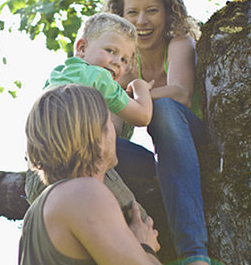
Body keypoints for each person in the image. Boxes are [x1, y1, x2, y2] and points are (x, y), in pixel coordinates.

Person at [105, 0, 225, 265]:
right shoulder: (127, 63)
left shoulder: (179, 40)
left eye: (151, 11)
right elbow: (114, 128)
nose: (142, 21)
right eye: (132, 13)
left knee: (165, 109)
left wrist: (136, 97)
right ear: (121, 18)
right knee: (96, 147)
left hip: (198, 149)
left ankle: (194, 257)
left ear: (167, 14)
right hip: (168, 163)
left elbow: (182, 94)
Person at [18, 84, 175, 265]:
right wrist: (143, 246)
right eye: (109, 122)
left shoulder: (33, 218)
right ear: (96, 134)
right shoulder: (84, 193)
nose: (114, 130)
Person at [24, 13, 155, 220]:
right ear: (82, 48)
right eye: (110, 51)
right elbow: (143, 116)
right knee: (135, 219)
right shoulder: (98, 77)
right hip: (81, 163)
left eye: (124, 60)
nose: (117, 63)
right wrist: (140, 87)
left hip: (37, 176)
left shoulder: (59, 75)